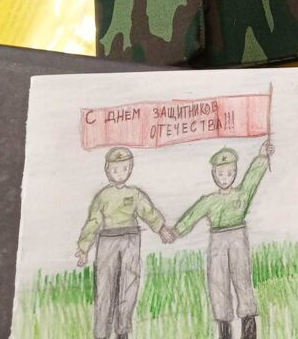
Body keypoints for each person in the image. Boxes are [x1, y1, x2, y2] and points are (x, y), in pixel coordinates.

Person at [174, 140, 274, 339]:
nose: (225, 178)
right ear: (214, 174)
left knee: (242, 279)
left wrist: (263, 156)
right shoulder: (210, 200)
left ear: (235, 172)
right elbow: (193, 215)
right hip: (217, 241)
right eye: (220, 173)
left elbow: (252, 178)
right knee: (218, 283)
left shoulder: (242, 194)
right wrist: (176, 231)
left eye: (229, 173)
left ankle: (249, 332)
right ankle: (224, 332)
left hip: (238, 238)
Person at [75, 147, 175, 339]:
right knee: (104, 288)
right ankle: (101, 334)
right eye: (115, 169)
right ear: (107, 170)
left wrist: (161, 228)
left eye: (124, 168)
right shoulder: (102, 196)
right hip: (107, 241)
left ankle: (122, 331)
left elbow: (148, 212)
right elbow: (93, 222)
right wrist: (83, 248)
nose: (119, 173)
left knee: (129, 285)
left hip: (130, 239)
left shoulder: (135, 194)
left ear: (130, 169)